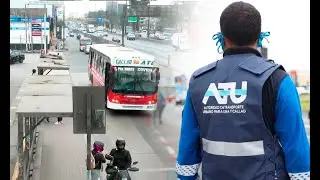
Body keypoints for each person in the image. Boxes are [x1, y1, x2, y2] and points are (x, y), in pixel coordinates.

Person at [176, 2, 310, 180]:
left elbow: (187, 148)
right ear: (259, 36)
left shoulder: (199, 81)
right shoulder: (277, 80)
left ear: (222, 37)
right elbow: (296, 148)